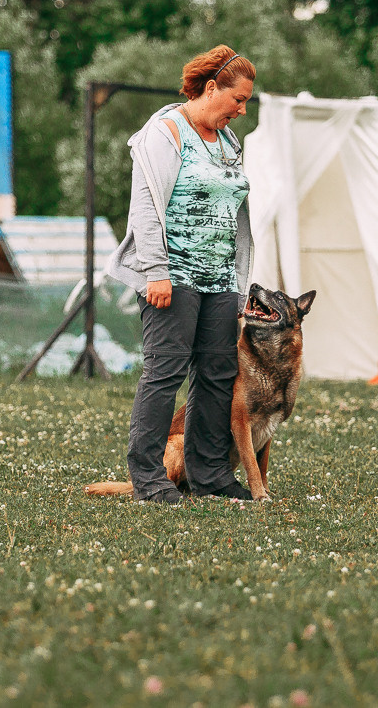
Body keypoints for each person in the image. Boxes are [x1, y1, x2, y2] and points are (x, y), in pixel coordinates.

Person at [105, 45, 257, 503]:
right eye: (238, 99)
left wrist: (241, 281)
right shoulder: (164, 133)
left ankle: (208, 476)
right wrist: (156, 271)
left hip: (220, 279)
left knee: (216, 372)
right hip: (173, 276)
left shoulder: (227, 142)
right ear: (211, 88)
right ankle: (148, 479)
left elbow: (233, 212)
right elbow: (146, 207)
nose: (242, 109)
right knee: (165, 372)